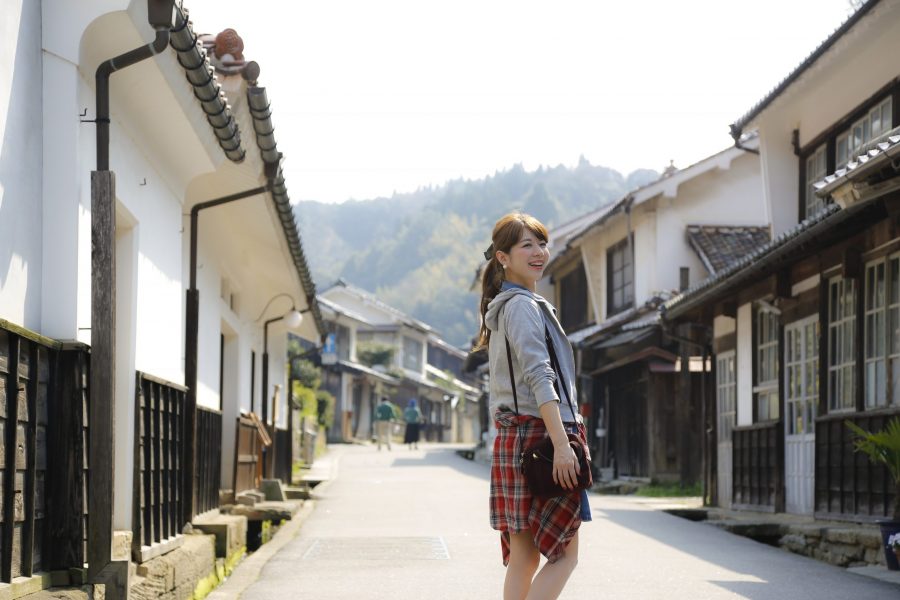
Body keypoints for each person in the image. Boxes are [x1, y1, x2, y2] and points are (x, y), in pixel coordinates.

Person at [477, 212, 591, 600]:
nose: (539, 252)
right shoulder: (522, 306)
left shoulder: (508, 306)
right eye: (527, 244)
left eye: (541, 243)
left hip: (518, 439)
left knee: (524, 558)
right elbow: (539, 377)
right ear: (503, 257)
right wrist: (562, 444)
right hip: (542, 437)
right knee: (565, 556)